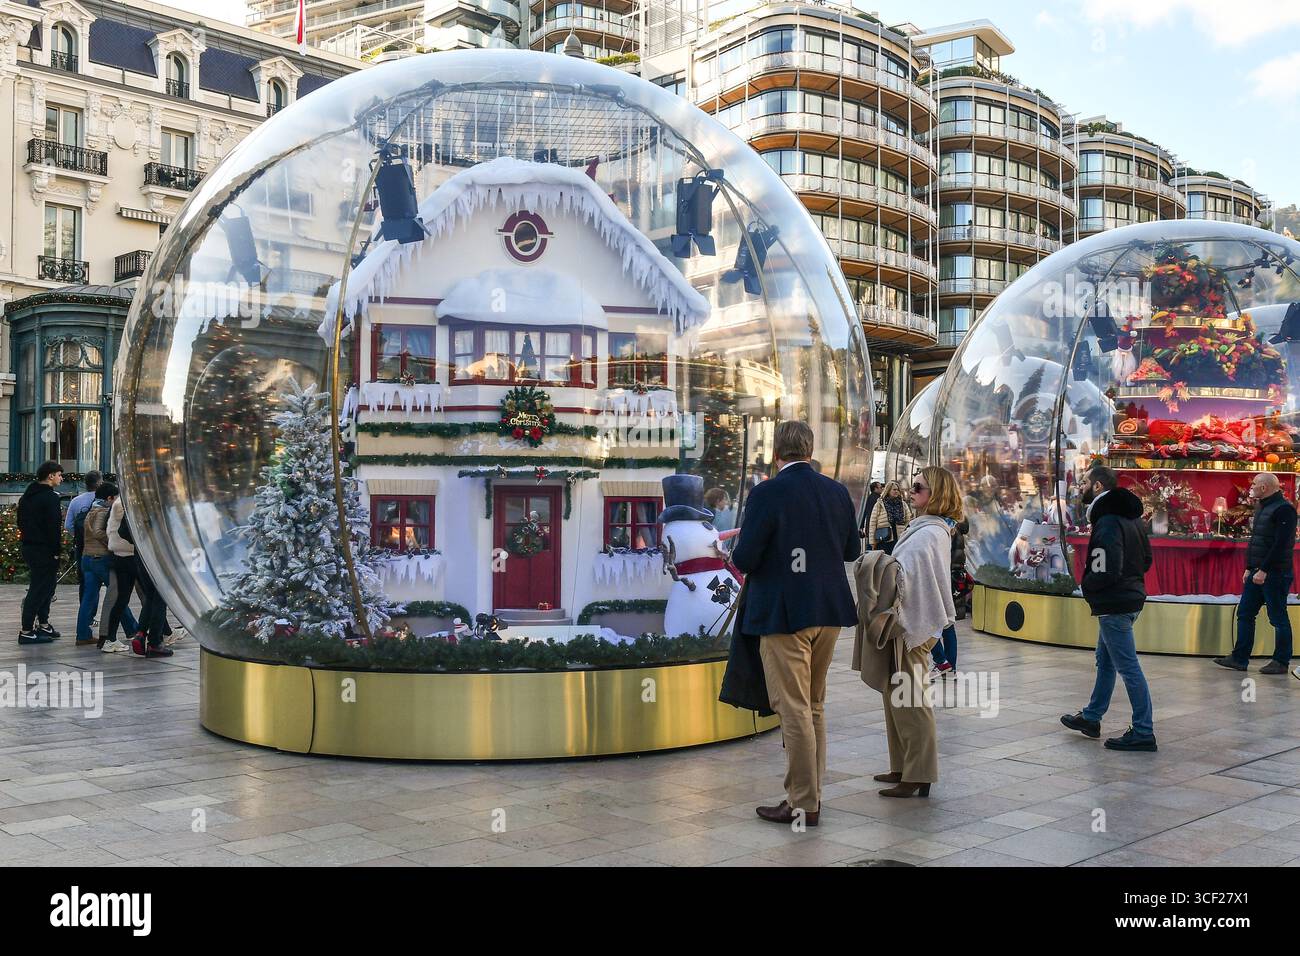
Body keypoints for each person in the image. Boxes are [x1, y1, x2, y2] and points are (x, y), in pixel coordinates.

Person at [731, 421, 859, 827]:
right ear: (810, 450)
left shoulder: (767, 493)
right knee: (814, 705)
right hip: (829, 611)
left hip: (785, 614)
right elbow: (852, 549)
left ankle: (803, 802)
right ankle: (812, 792)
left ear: (776, 453)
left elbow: (745, 557)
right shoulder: (836, 491)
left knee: (794, 709)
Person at [872, 466, 959, 798]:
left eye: (919, 488)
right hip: (910, 622)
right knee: (897, 697)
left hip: (915, 625)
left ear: (935, 494)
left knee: (912, 699)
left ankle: (918, 773)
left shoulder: (930, 532)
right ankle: (903, 766)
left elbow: (911, 575)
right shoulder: (924, 527)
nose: (911, 491)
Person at [1061, 466, 1157, 752]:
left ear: (1099, 486)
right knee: (1106, 661)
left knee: (1128, 667)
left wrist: (1089, 586)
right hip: (1129, 598)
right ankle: (1091, 717)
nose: (1081, 487)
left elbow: (1104, 566)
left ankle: (1143, 730)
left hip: (1114, 603)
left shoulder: (1107, 521)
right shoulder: (1132, 519)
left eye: (1085, 482)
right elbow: (1147, 559)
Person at [1215, 472, 1295, 675]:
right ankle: (1239, 658)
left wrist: (1264, 570)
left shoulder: (1284, 509)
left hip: (1275, 573)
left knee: (1277, 618)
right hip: (1257, 571)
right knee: (1245, 613)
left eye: (1255, 484)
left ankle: (1281, 661)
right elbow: (1257, 541)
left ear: (1265, 487)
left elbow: (1282, 544)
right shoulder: (1262, 507)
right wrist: (1250, 567)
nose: (1251, 487)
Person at [77, 482, 136, 650]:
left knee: (89, 599)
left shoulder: (90, 510)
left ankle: (82, 634)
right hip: (100, 559)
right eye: (115, 497)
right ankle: (131, 629)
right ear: (109, 498)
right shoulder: (102, 511)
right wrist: (112, 542)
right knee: (117, 596)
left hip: (87, 558)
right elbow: (98, 532)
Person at [17, 461, 65, 644]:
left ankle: (43, 625)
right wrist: (56, 551)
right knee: (40, 589)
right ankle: (27, 630)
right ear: (50, 475)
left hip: (30, 546)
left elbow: (20, 522)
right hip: (44, 549)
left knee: (46, 586)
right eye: (59, 475)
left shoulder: (27, 496)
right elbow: (53, 527)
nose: (61, 478)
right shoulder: (50, 497)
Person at [930, 516, 970, 677]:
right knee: (947, 624)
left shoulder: (942, 529)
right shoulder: (955, 527)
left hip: (942, 580)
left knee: (930, 623)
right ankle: (949, 665)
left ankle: (941, 661)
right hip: (952, 579)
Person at [64, 469, 102, 605]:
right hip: (100, 546)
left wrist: (79, 537)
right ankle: (92, 613)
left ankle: (84, 612)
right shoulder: (103, 500)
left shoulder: (76, 501)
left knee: (84, 580)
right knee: (98, 580)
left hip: (81, 545)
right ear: (99, 483)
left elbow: (68, 525)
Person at [867, 480, 913, 554]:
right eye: (894, 489)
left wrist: (904, 531)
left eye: (898, 490)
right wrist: (872, 542)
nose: (896, 491)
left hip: (899, 538)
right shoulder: (880, 504)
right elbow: (873, 523)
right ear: (888, 490)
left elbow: (909, 519)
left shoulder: (903, 504)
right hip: (884, 538)